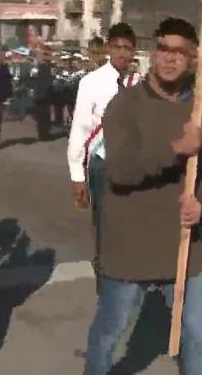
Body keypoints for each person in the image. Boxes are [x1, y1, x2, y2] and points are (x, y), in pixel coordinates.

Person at [83, 18, 202, 375]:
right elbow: (121, 171)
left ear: (192, 59)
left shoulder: (198, 111)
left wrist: (200, 203)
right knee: (109, 334)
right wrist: (177, 148)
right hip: (131, 247)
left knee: (197, 338)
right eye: (164, 49)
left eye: (180, 52)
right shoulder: (124, 104)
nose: (170, 59)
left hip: (186, 246)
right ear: (153, 52)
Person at [66, 23, 138, 291]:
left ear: (134, 52)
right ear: (108, 49)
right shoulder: (91, 82)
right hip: (102, 163)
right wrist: (77, 175)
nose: (122, 53)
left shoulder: (139, 84)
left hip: (131, 166)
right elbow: (81, 129)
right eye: (117, 47)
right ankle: (106, 279)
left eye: (127, 48)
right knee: (105, 224)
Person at [31, 46, 54, 140]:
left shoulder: (45, 67)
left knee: (43, 115)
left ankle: (44, 134)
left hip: (44, 94)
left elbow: (46, 82)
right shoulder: (38, 67)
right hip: (40, 94)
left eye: (39, 55)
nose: (37, 57)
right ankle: (42, 133)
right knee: (41, 115)